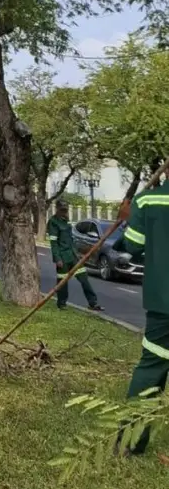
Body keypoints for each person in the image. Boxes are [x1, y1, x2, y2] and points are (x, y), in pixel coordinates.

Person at [114, 175, 169, 455]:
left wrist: (127, 217)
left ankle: (130, 442)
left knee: (151, 368)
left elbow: (132, 246)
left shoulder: (148, 200)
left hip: (163, 303)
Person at [47, 200, 102, 312]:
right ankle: (61, 304)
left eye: (65, 210)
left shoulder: (67, 222)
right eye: (62, 210)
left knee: (84, 279)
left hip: (73, 257)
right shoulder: (53, 222)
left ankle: (93, 303)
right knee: (62, 283)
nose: (64, 212)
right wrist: (57, 258)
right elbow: (53, 242)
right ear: (57, 209)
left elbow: (71, 240)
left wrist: (80, 252)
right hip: (62, 257)